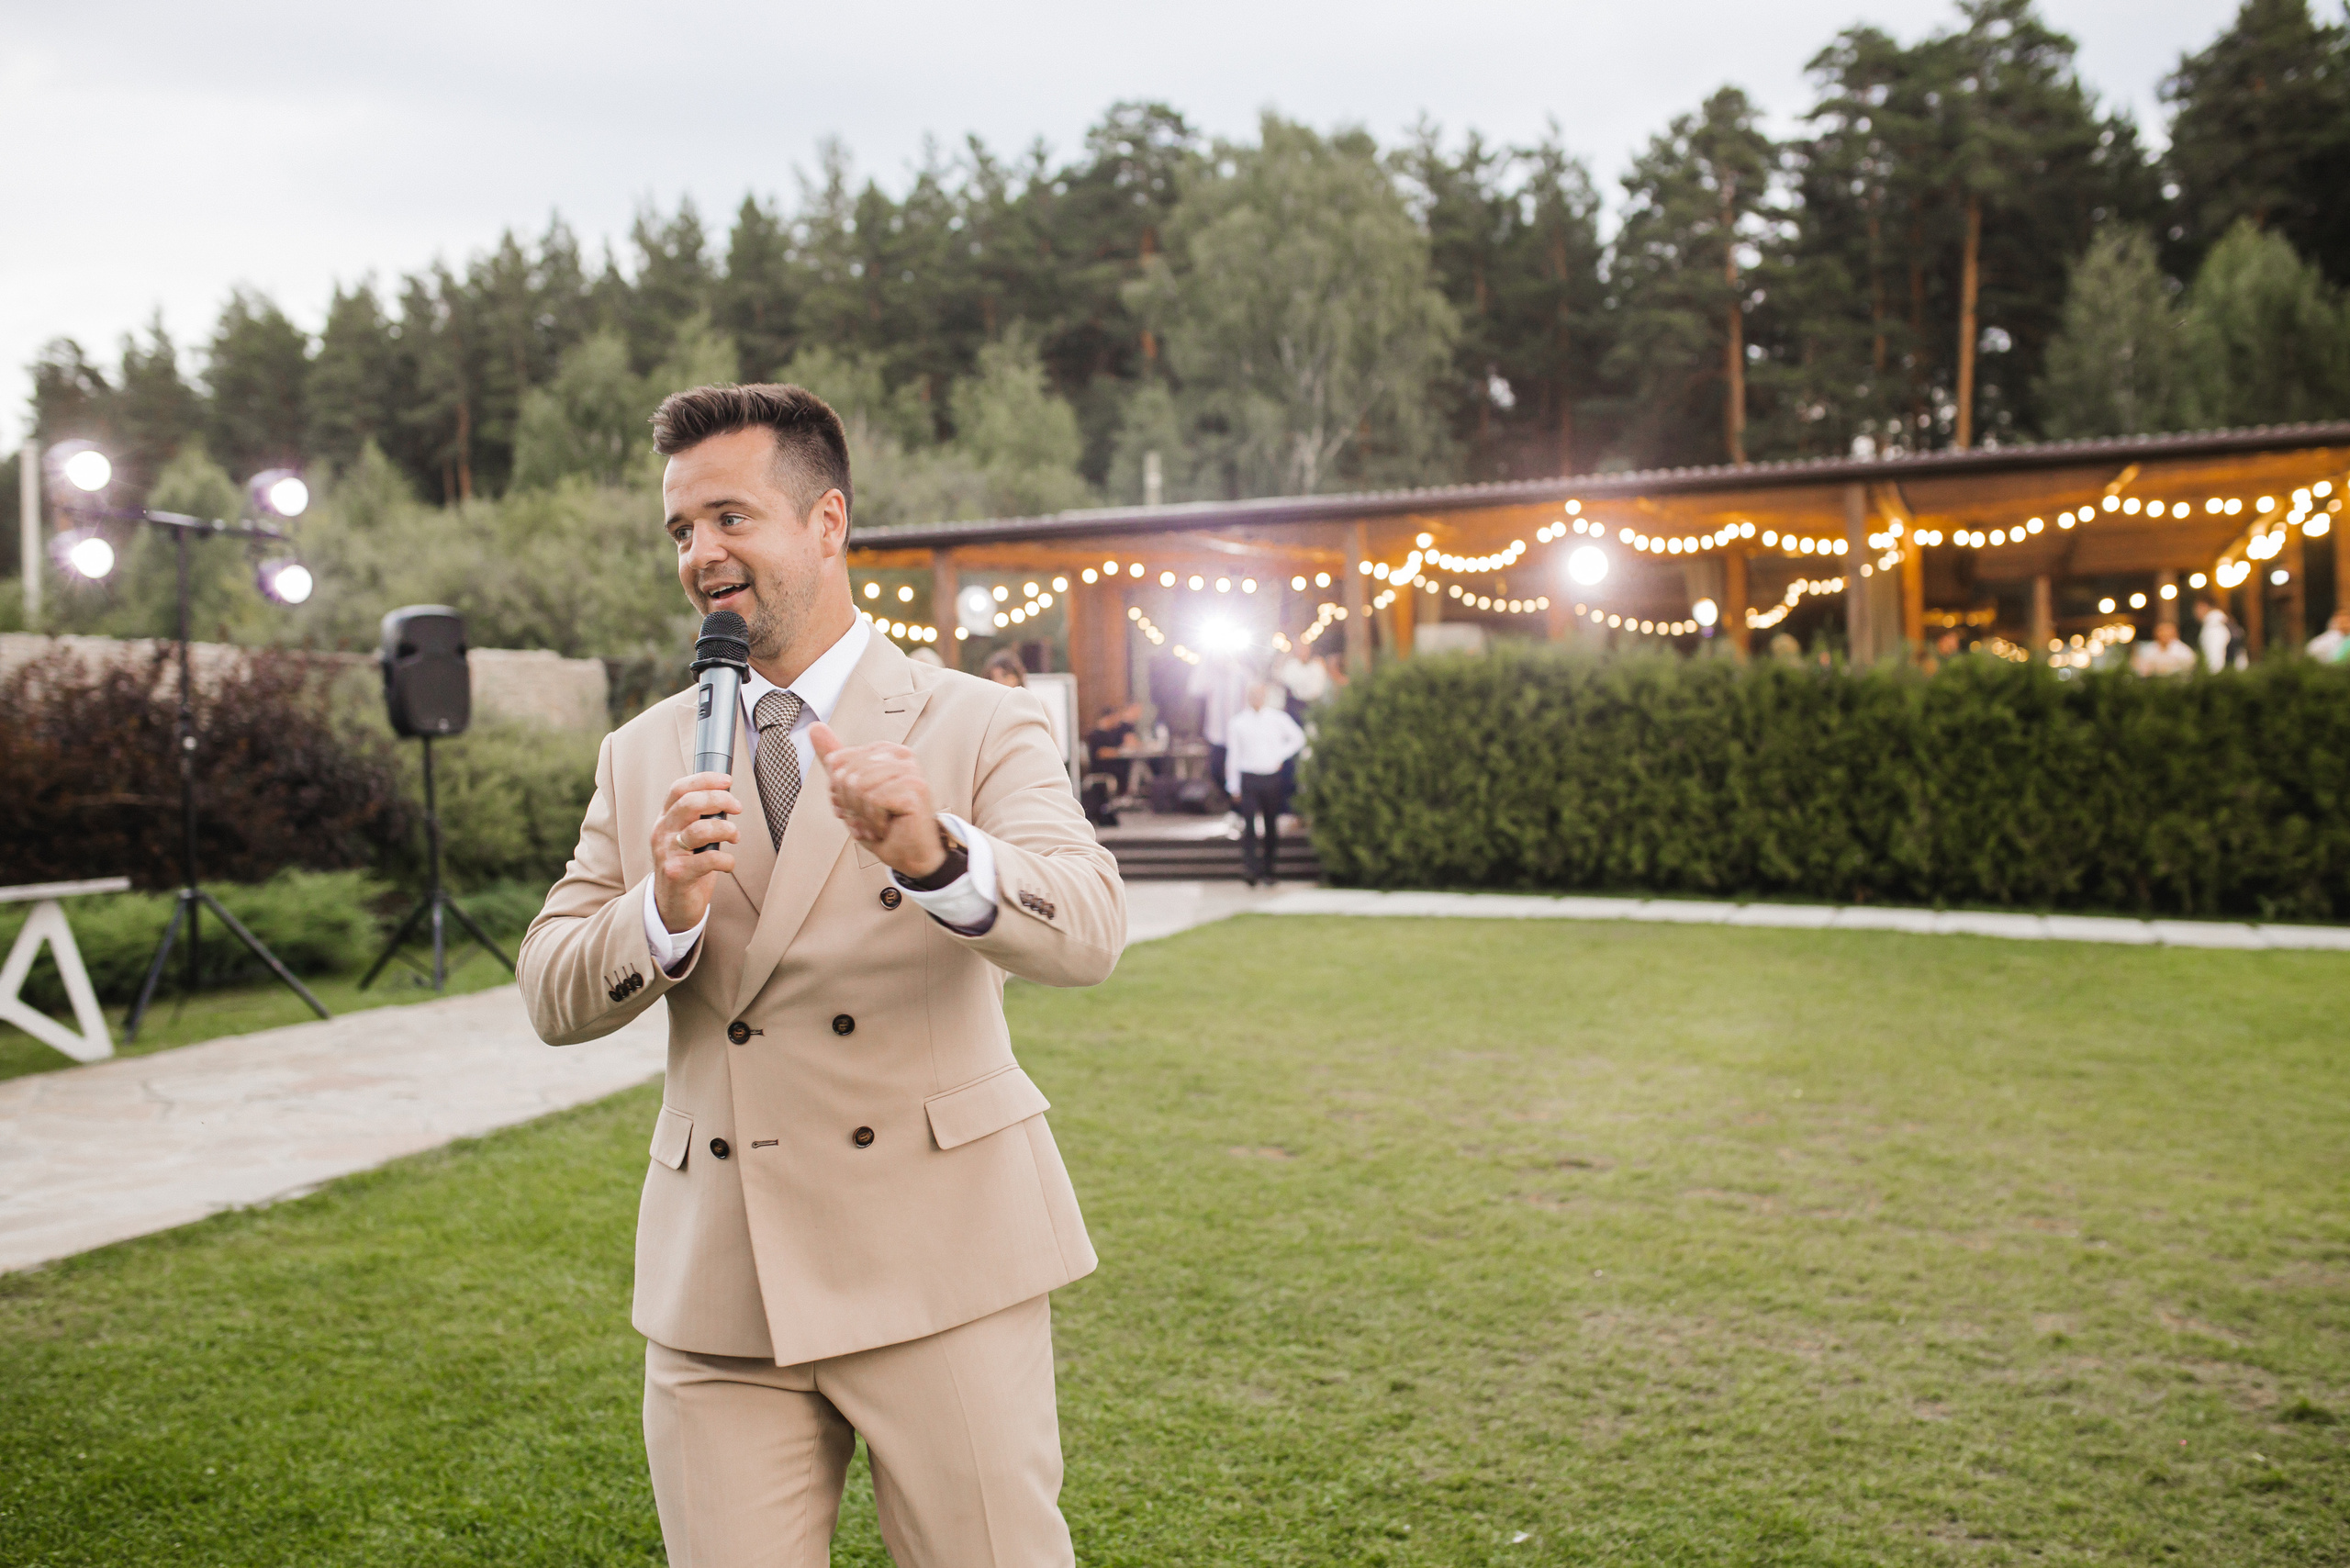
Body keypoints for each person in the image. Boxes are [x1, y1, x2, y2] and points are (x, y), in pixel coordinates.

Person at [519, 384, 1125, 1568]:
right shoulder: (640, 751)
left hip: (943, 1259)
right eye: (682, 530)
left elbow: (1091, 927)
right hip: (721, 1283)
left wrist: (938, 856)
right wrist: (664, 913)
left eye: (731, 518)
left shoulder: (976, 720)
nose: (701, 555)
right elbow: (549, 986)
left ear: (828, 522)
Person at [1224, 680, 1307, 886]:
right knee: (1249, 826)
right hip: (1249, 777)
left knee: (1271, 825)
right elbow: (1233, 755)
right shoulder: (1238, 722)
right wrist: (1233, 785)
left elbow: (1298, 738)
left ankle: (1269, 870)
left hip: (1270, 777)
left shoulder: (1277, 719)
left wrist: (1278, 756)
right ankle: (1251, 869)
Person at [1185, 651, 1250, 801]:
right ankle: (1231, 802)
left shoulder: (1241, 674)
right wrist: (1206, 659)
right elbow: (1194, 689)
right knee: (1216, 770)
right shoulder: (1210, 675)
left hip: (1238, 733)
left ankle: (1240, 807)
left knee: (1239, 771)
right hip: (1217, 733)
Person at [2132, 619, 2199, 677]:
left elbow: (2190, 669)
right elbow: (2139, 668)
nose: (2164, 634)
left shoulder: (2184, 651)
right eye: (2161, 631)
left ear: (2175, 633)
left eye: (2168, 631)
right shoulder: (2149, 649)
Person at [2194, 597, 2244, 672]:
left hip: (2224, 678)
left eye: (2196, 608)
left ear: (2203, 606)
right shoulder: (2225, 623)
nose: (2195, 613)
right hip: (2234, 675)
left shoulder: (2214, 627)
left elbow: (2214, 659)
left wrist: (2214, 680)